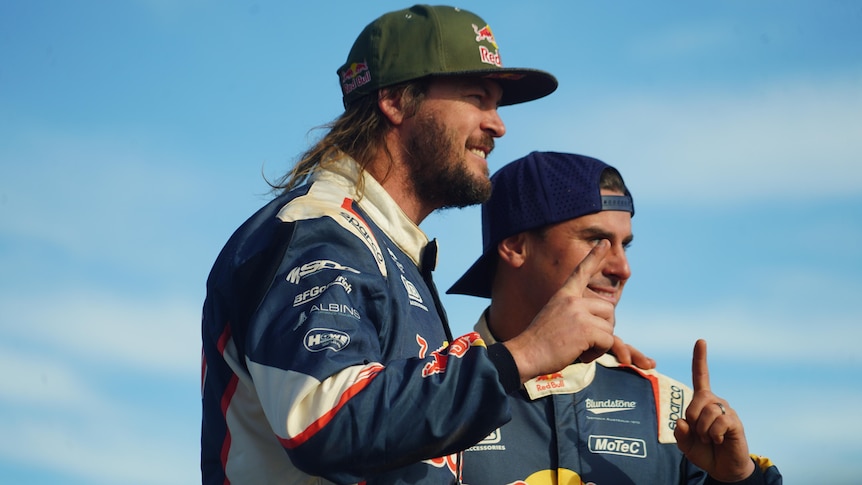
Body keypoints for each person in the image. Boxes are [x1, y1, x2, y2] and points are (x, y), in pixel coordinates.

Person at [200, 5, 651, 484]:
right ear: (395, 101)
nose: (498, 125)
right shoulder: (320, 230)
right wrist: (526, 353)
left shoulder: (386, 245)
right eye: (477, 97)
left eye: (497, 105)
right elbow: (325, 419)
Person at [447, 151, 783, 484]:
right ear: (517, 247)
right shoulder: (433, 392)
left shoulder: (672, 411)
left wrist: (739, 480)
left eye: (625, 245)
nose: (623, 269)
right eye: (597, 241)